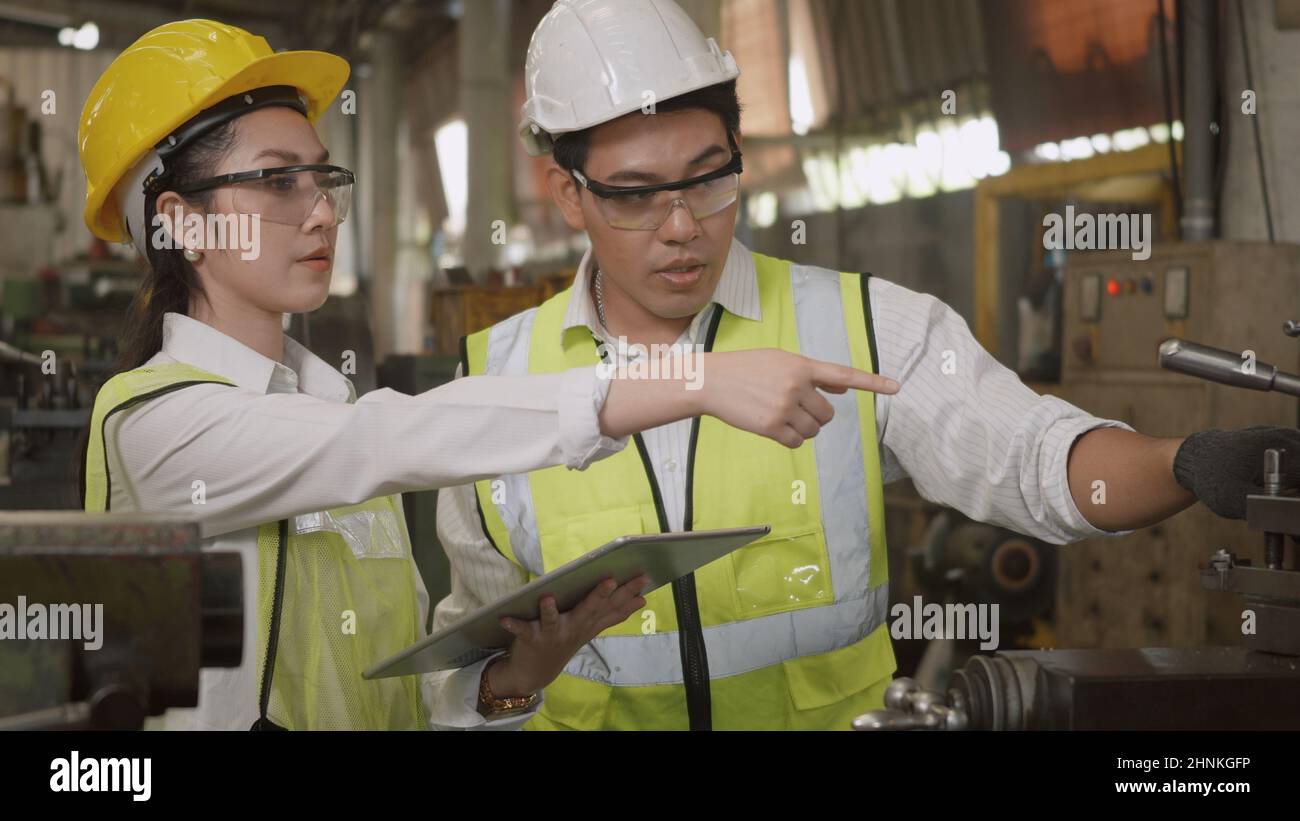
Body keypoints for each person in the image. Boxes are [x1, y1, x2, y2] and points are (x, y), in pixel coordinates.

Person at [427, 0, 1300, 730]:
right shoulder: (497, 385)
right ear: (567, 193)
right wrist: (518, 675)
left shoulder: (861, 323)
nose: (684, 223)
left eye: (709, 176)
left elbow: (1034, 457)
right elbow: (459, 688)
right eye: (634, 193)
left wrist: (1186, 462)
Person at [76, 18, 897, 731]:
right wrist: (692, 380)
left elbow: (399, 700)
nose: (320, 208)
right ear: (178, 220)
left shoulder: (332, 402)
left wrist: (511, 681)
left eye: (323, 177)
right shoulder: (154, 425)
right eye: (276, 181)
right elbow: (389, 434)